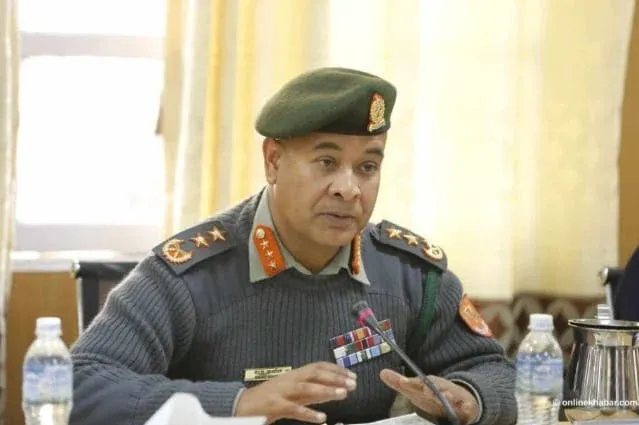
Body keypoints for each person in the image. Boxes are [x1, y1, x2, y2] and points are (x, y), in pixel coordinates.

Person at [70, 67, 517, 425]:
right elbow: (78, 386)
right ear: (273, 161)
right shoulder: (190, 273)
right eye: (326, 161)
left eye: (367, 167)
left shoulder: (410, 274)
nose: (348, 189)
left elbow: (498, 373)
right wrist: (239, 404)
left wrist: (469, 399)